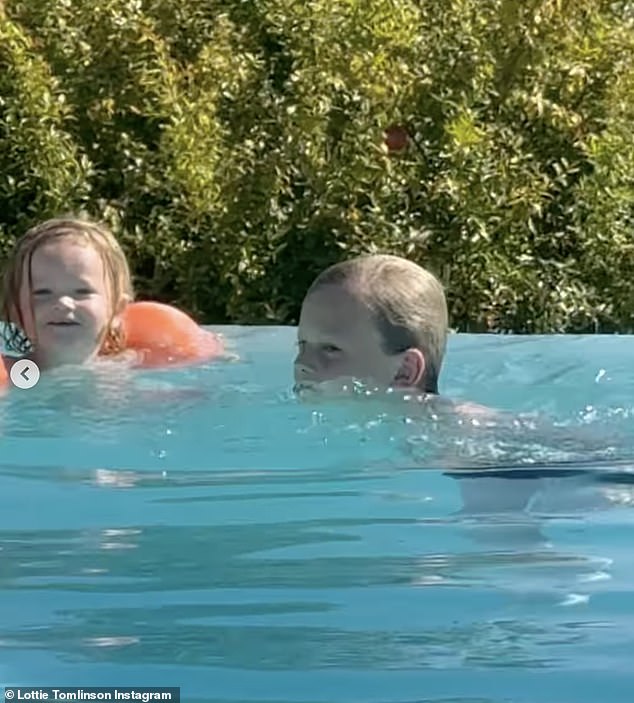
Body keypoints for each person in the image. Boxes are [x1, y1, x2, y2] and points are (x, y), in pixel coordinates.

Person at [294, 253, 448, 397]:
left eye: (331, 349)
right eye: (302, 344)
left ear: (404, 371)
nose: (301, 363)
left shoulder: (456, 425)